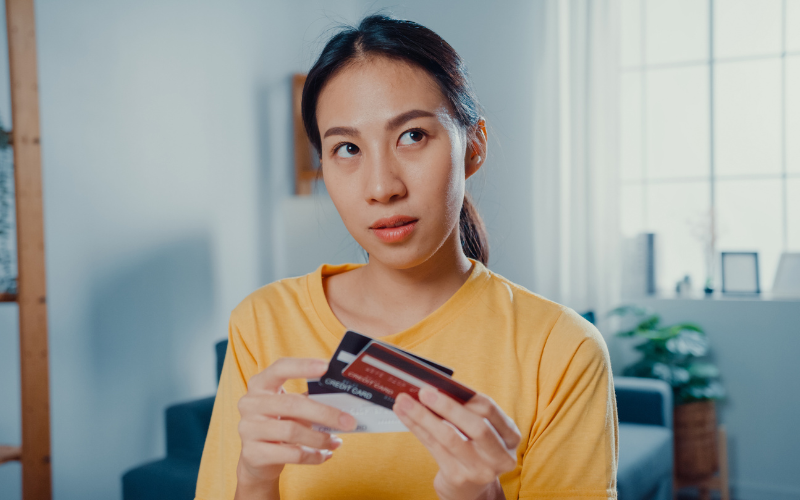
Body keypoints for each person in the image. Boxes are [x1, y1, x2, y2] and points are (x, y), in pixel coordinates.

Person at [196, 14, 618, 500]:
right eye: (347, 148)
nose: (381, 187)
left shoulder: (562, 350)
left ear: (473, 146)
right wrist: (253, 479)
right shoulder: (263, 322)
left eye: (413, 136)